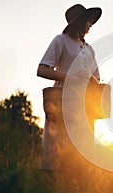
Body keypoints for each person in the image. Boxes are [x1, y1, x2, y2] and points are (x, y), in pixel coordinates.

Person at [37, 4, 102, 171]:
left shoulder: (89, 49)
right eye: (88, 20)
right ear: (80, 22)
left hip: (84, 105)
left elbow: (95, 76)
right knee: (59, 155)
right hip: (62, 101)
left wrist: (93, 81)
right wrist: (71, 78)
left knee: (83, 159)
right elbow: (42, 69)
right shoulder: (61, 40)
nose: (90, 25)